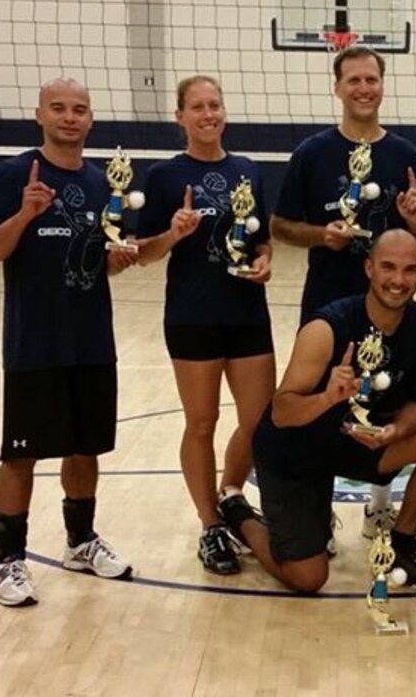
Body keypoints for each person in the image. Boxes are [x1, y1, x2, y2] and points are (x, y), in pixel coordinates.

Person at [0, 78, 139, 607]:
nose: (70, 117)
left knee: (85, 448)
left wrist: (117, 259)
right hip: (34, 343)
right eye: (59, 108)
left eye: (80, 110)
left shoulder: (101, 181)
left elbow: (93, 261)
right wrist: (24, 215)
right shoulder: (19, 174)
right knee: (20, 456)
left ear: (91, 120)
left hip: (91, 340)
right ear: (39, 114)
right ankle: (7, 560)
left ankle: (79, 542)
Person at [231, 230, 416, 593]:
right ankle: (237, 512)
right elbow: (281, 413)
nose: (398, 280)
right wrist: (327, 398)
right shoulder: (326, 328)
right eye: (388, 267)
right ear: (368, 268)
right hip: (296, 451)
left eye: (409, 270)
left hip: (359, 445)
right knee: (308, 578)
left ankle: (399, 547)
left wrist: (394, 433)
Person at [271, 45, 416, 539]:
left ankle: (380, 504)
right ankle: (316, 508)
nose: (364, 88)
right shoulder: (312, 153)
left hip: (390, 304)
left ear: (383, 86)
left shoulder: (404, 155)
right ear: (337, 87)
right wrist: (323, 235)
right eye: (354, 80)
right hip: (328, 299)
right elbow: (279, 225)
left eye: (372, 80)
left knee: (387, 395)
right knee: (324, 398)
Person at [136, 75, 275, 575]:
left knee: (260, 423)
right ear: (180, 117)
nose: (208, 114)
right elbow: (142, 254)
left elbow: (260, 237)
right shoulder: (164, 176)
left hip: (246, 315)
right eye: (197, 107)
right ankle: (209, 524)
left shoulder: (247, 170)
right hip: (192, 315)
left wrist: (264, 260)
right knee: (201, 422)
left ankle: (231, 494)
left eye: (215, 105)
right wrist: (173, 234)